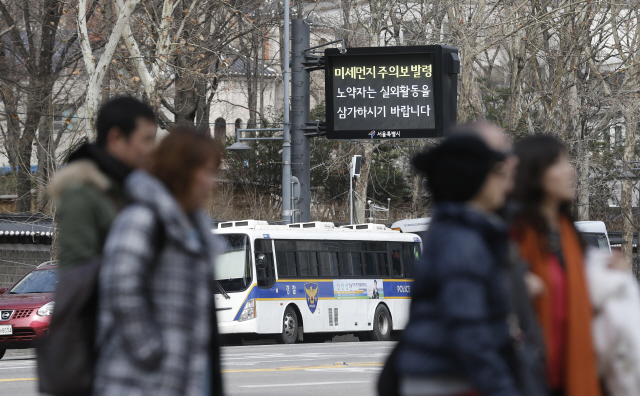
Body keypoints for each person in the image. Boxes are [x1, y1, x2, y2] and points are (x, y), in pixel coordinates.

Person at [93, 128, 224, 396]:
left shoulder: (195, 229)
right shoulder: (142, 219)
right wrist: (153, 354)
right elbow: (120, 291)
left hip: (185, 380)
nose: (212, 183)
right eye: (207, 172)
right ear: (181, 170)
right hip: (138, 383)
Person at [395, 135, 521, 396]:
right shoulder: (462, 242)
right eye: (496, 171)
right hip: (453, 381)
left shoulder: (453, 232)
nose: (505, 183)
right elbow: (469, 330)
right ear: (474, 179)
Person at [510, 135, 600, 396]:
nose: (570, 170)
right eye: (558, 163)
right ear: (535, 173)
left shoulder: (567, 232)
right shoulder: (516, 232)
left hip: (570, 373)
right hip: (531, 376)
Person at [50, 96, 157, 271]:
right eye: (146, 140)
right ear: (116, 138)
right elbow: (77, 274)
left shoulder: (134, 188)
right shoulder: (82, 193)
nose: (152, 150)